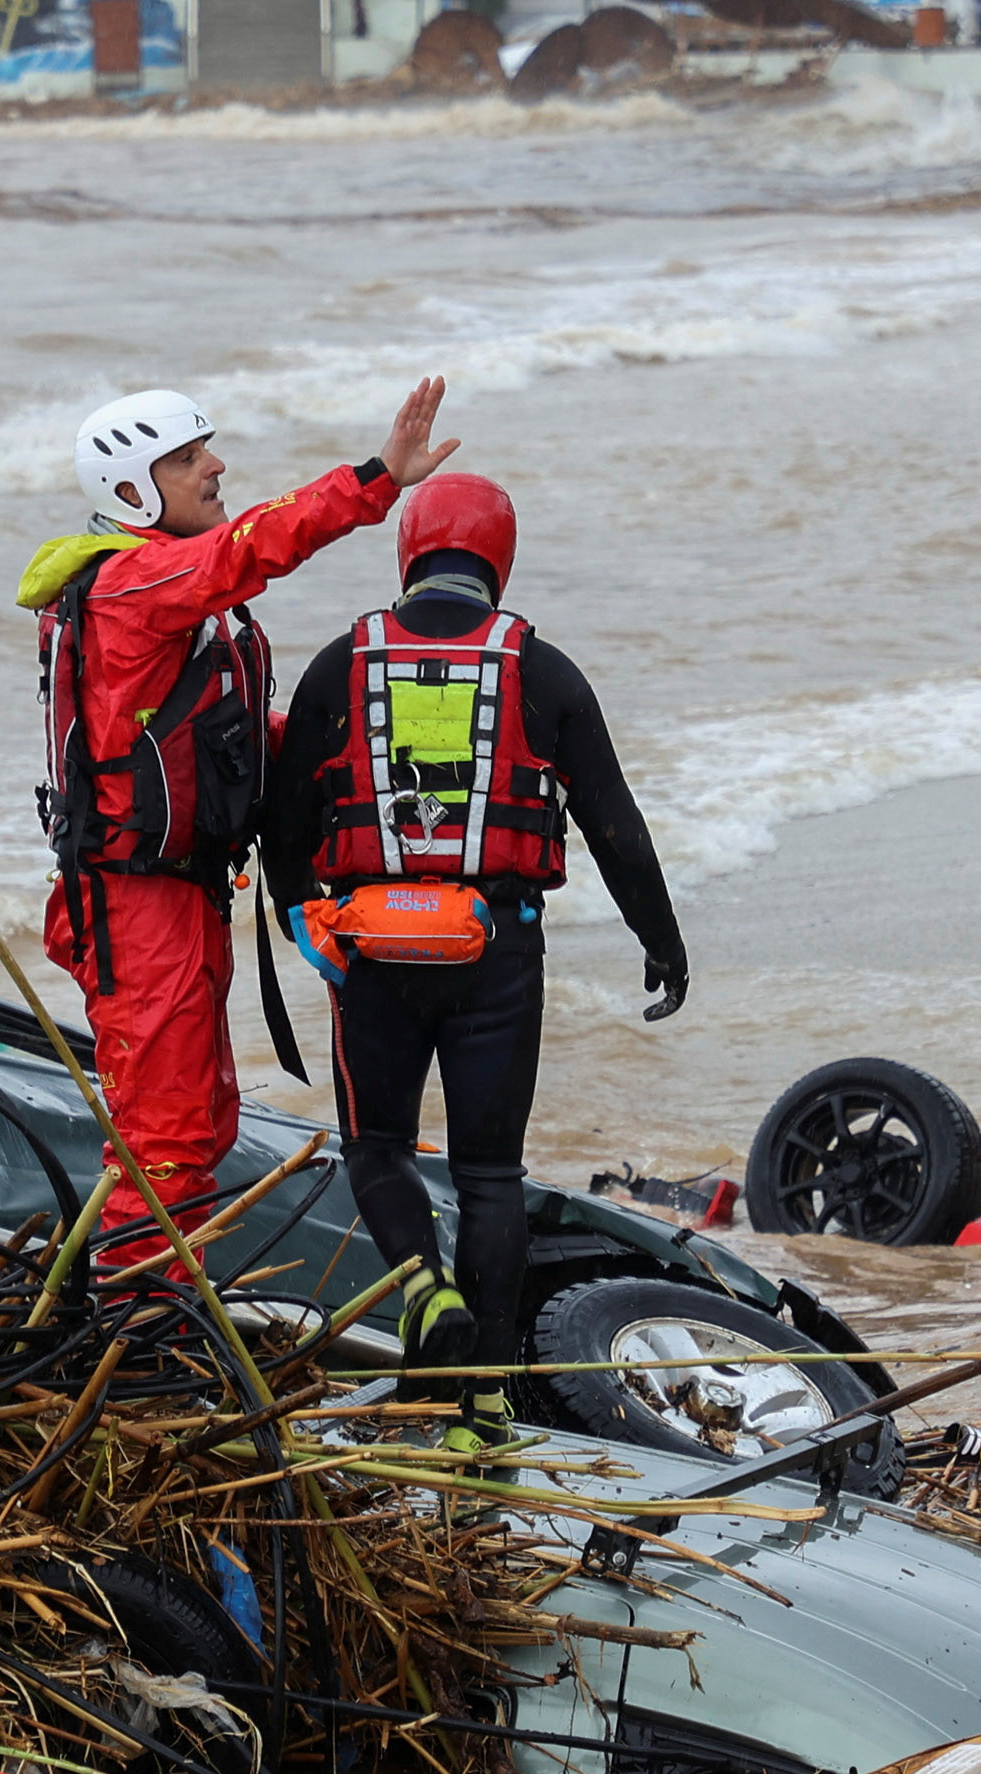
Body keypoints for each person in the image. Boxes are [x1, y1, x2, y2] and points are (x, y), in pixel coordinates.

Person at [258, 473, 688, 1452]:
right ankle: (482, 1409)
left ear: (408, 551)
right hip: (495, 951)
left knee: (377, 1152)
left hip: (372, 956)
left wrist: (302, 921)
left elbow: (284, 825)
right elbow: (614, 824)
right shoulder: (544, 673)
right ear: (500, 558)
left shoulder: (341, 665)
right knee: (491, 1174)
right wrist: (661, 943)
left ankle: (418, 1288)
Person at [20, 376, 458, 1250]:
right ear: (133, 491)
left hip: (181, 898)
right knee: (169, 1141)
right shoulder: (132, 584)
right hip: (137, 908)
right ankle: (144, 1329)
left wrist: (353, 743)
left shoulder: (161, 593)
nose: (214, 467)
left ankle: (147, 1307)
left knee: (204, 1122)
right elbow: (248, 550)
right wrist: (375, 478)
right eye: (187, 458)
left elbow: (214, 736)